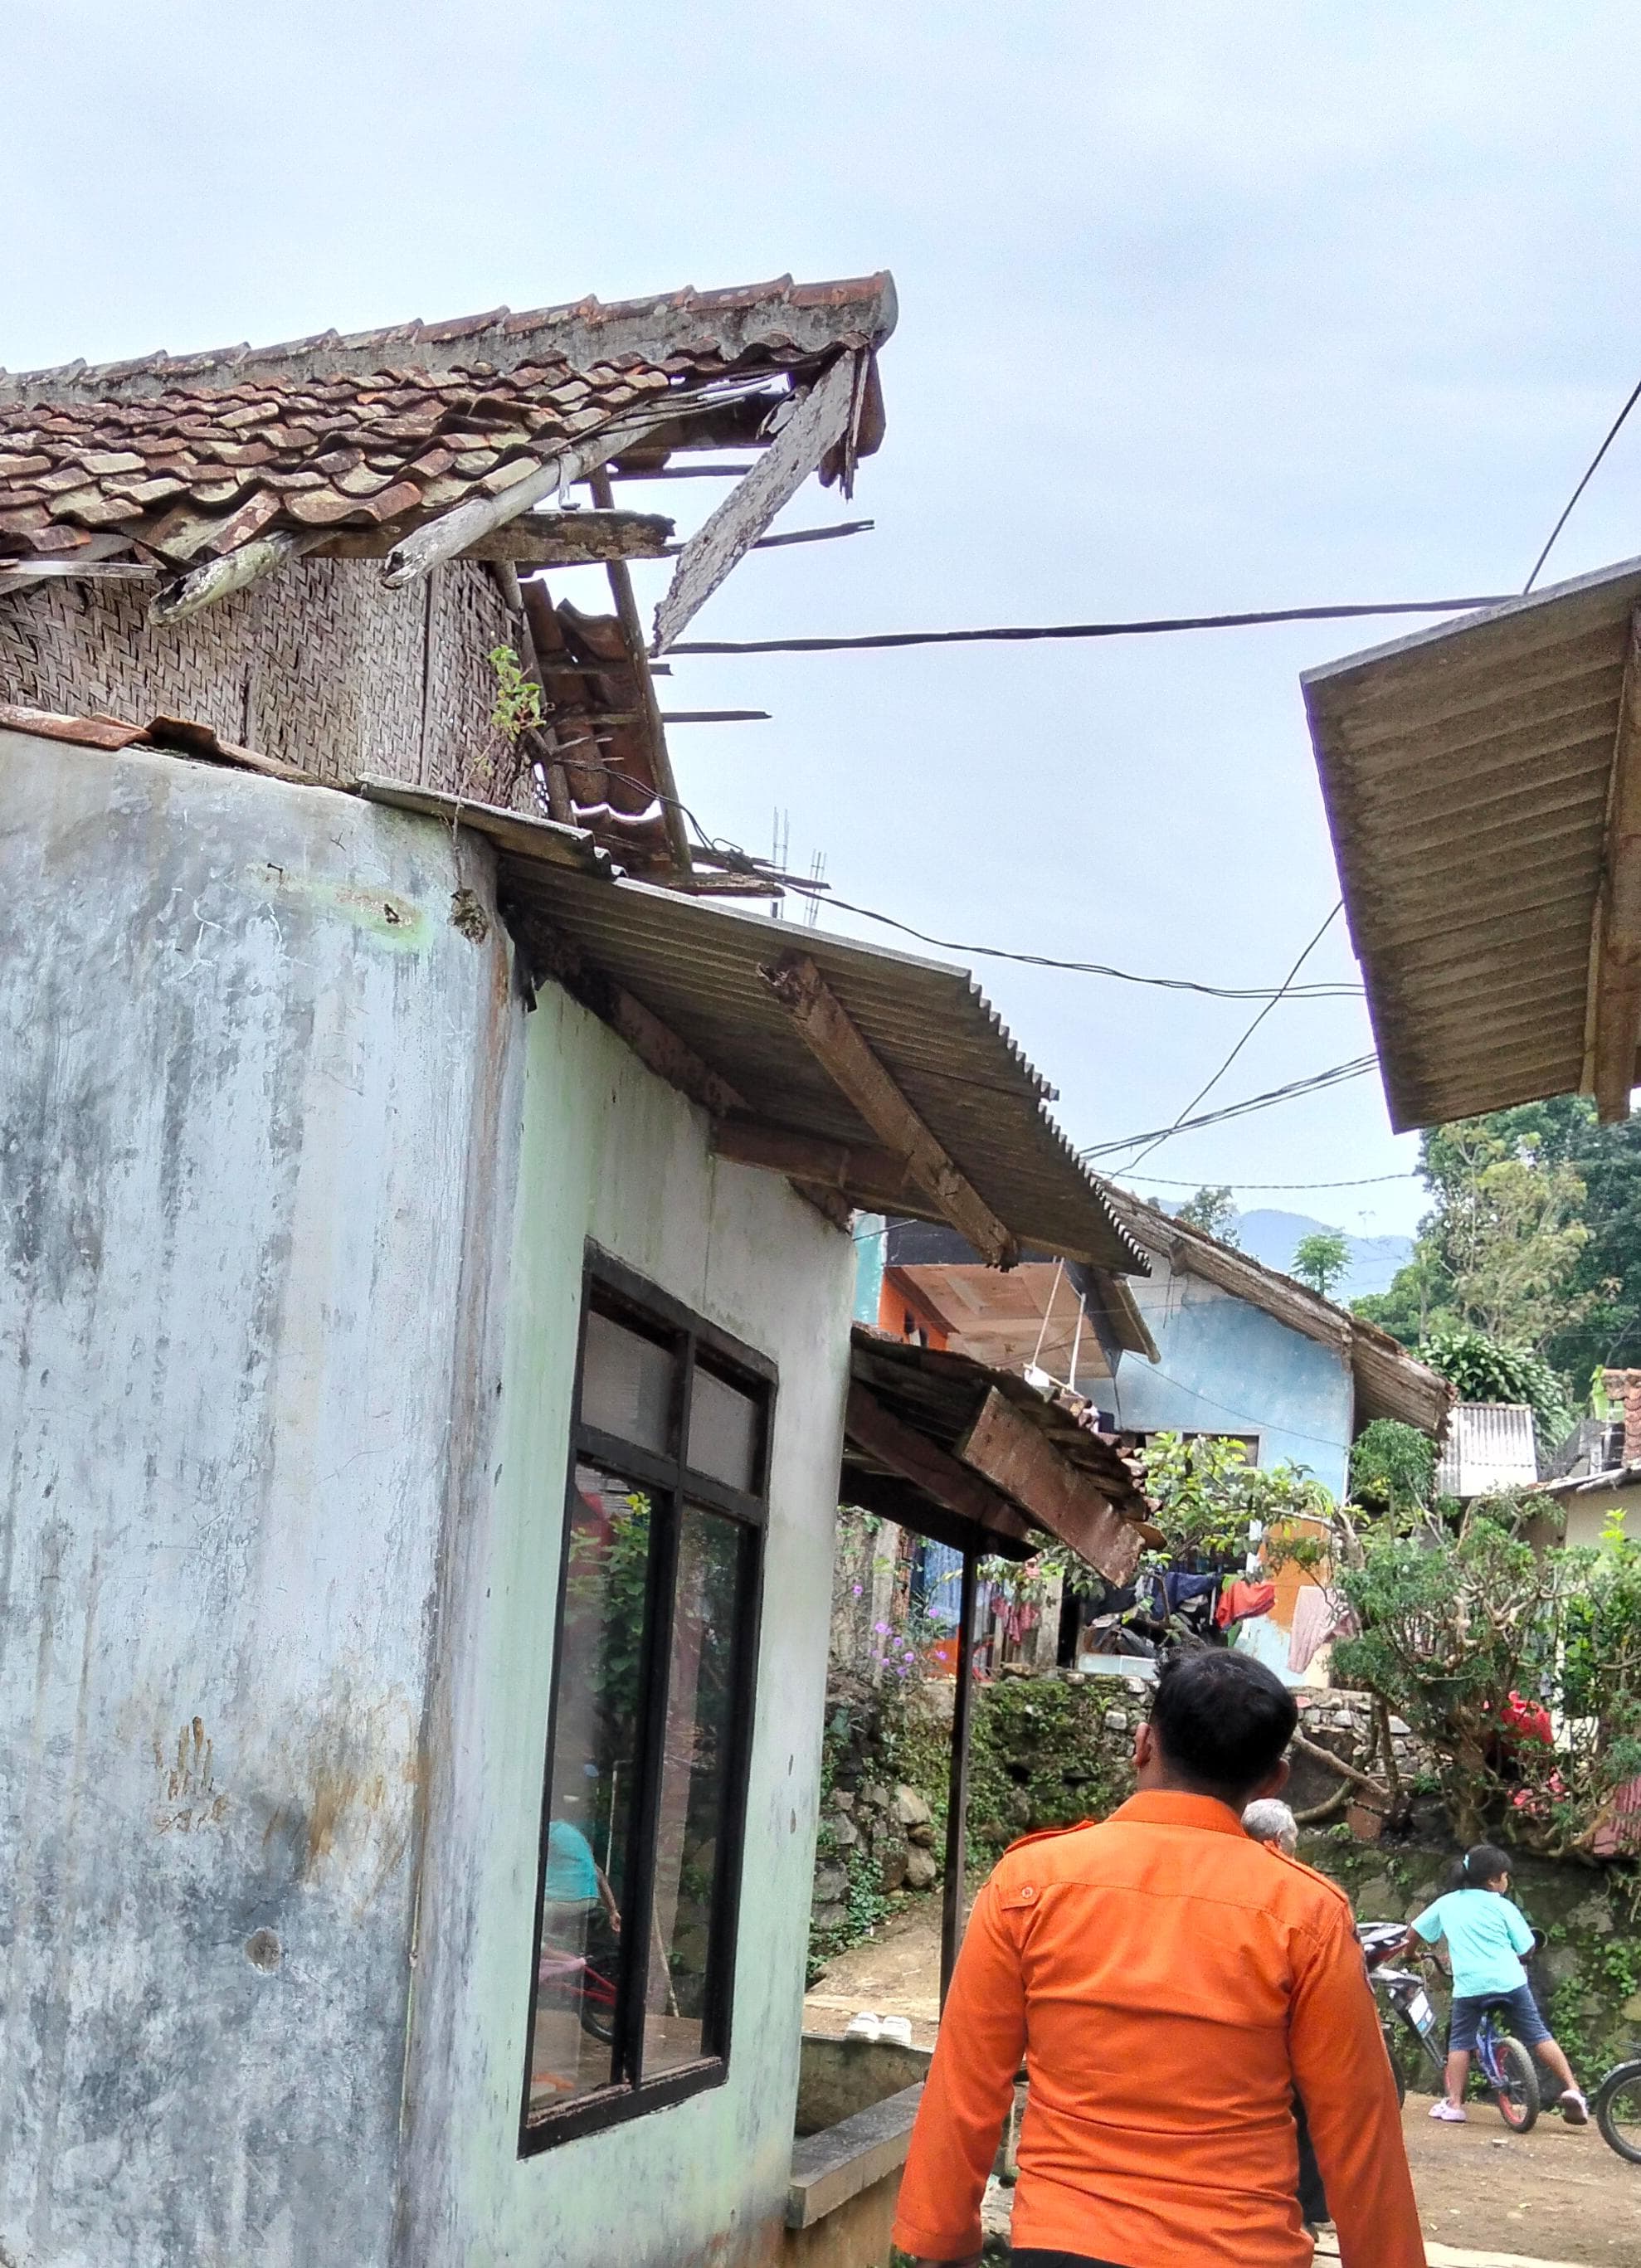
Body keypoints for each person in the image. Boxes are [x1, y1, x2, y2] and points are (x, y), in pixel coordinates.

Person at [892, 1651, 1423, 2268]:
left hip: (1065, 2242)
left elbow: (967, 2079)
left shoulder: (1031, 1884)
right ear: (1273, 1781)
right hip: (1239, 2249)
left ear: (1143, 1744)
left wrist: (942, 2240)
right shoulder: (1307, 1913)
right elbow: (1358, 2122)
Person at [1406, 1843, 1588, 2125]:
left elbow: (1413, 1932)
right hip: (1510, 1981)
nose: (1507, 1881)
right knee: (1538, 2034)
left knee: (1460, 2042)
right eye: (1505, 1876)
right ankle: (1573, 2089)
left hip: (1470, 1988)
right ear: (1492, 1880)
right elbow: (1527, 1945)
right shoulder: (1503, 1905)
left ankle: (1454, 2104)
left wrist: (1411, 1955)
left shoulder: (1447, 1902)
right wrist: (1518, 1954)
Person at [1243, 1795, 1327, 2232]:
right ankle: (1303, 2213)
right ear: (1278, 1843)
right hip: (1272, 2033)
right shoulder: (1303, 1895)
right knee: (1310, 2106)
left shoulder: (1215, 1876)